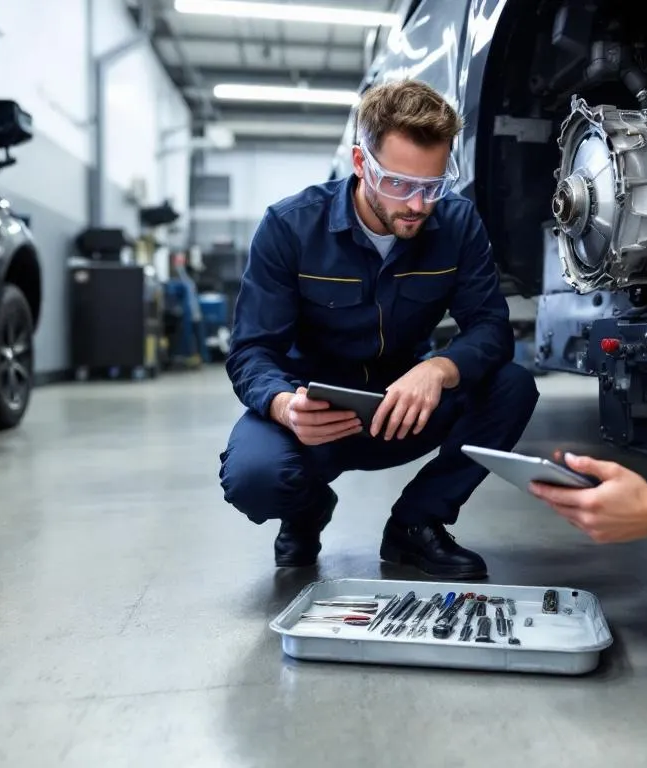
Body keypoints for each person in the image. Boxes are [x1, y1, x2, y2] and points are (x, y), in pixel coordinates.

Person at [218, 79, 540, 580]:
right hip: (313, 417)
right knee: (254, 477)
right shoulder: (289, 227)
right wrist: (284, 405)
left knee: (513, 386)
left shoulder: (457, 224)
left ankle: (415, 525)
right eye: (399, 184)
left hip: (402, 410)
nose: (417, 204)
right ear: (361, 163)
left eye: (432, 186)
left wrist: (440, 368)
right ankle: (305, 511)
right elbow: (251, 351)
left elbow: (492, 327)